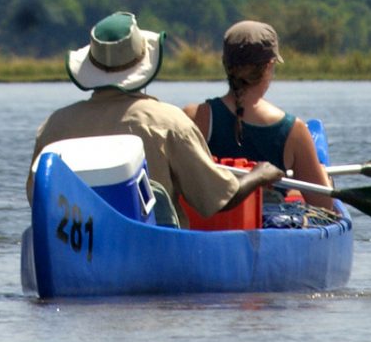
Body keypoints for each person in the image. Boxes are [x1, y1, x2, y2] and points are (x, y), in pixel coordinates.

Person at [29, 12, 283, 224]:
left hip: (77, 239)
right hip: (154, 247)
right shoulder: (170, 123)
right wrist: (259, 175)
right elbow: (219, 198)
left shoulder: (54, 126)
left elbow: (37, 198)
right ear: (143, 66)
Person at [182, 20, 335, 211]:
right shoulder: (294, 131)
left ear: (225, 64)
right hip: (270, 224)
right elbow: (324, 206)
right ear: (269, 65)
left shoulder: (195, 116)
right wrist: (324, 177)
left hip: (211, 221)